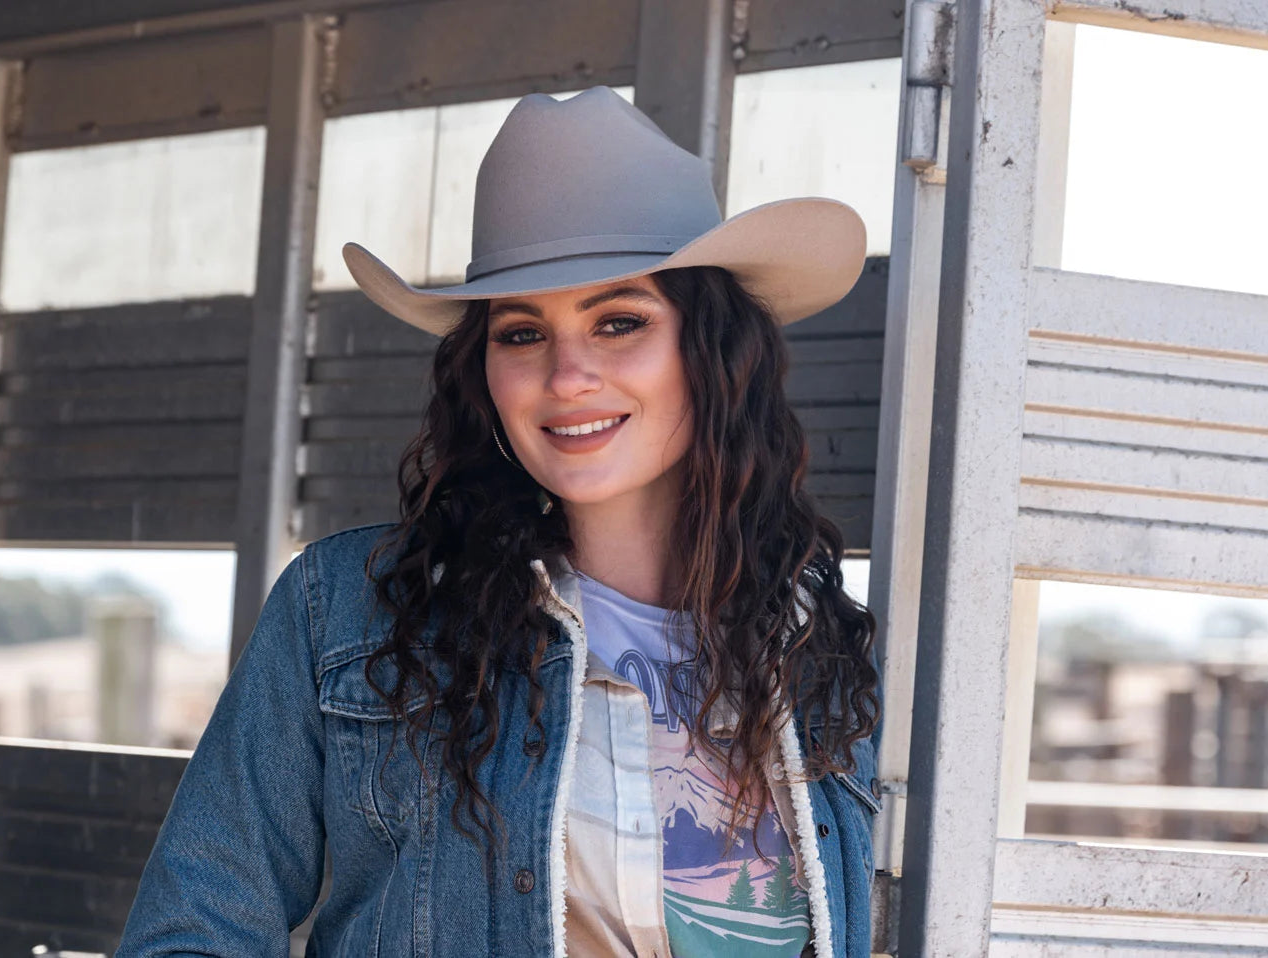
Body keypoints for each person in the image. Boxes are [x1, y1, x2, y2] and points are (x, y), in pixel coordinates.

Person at [117, 85, 882, 958]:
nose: (566, 376)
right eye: (521, 334)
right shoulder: (347, 616)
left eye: (619, 322)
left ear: (713, 354)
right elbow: (193, 934)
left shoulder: (817, 646)